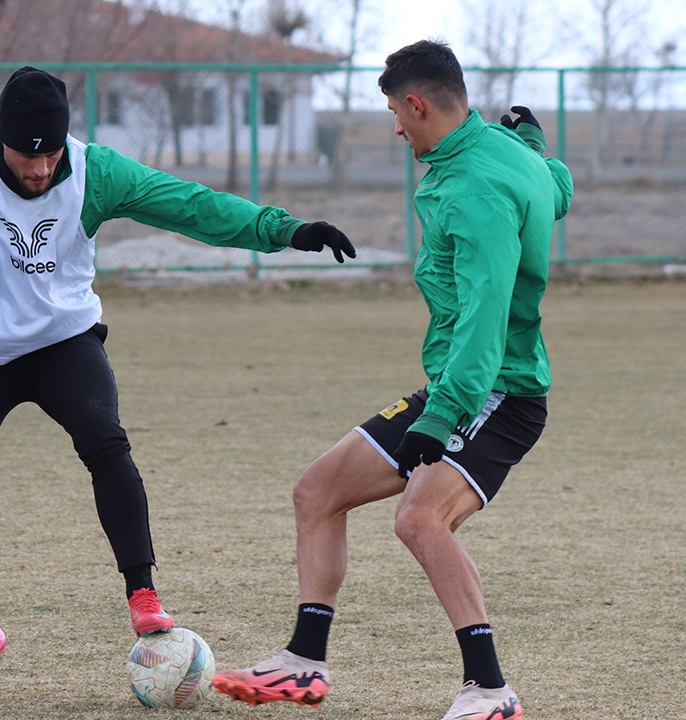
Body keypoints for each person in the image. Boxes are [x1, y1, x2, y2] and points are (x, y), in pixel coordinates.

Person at [0, 66, 356, 695]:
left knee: (106, 440)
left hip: (63, 342)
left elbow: (190, 205)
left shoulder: (95, 171)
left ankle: (143, 591)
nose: (41, 169)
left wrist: (286, 231)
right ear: (1, 139)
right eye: (28, 154)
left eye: (51, 154)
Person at [210, 40, 572, 720]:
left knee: (420, 520)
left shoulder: (477, 187)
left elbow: (484, 320)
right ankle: (302, 665)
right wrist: (538, 151)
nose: (395, 129)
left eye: (395, 115)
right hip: (460, 383)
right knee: (317, 491)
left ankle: (491, 693)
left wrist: (444, 415)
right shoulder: (502, 156)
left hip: (500, 391)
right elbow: (556, 191)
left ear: (418, 104)